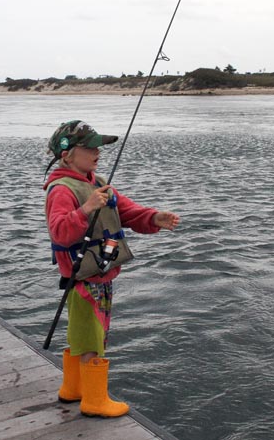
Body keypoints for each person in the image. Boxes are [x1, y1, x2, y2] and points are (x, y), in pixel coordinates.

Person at [43, 120, 180, 418]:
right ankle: (94, 400)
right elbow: (59, 232)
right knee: (92, 337)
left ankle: (73, 388)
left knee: (83, 333)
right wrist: (86, 209)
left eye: (98, 147)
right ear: (67, 154)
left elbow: (127, 210)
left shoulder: (97, 181)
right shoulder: (61, 190)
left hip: (100, 273)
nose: (97, 152)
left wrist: (154, 217)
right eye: (89, 147)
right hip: (82, 278)